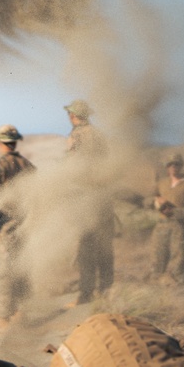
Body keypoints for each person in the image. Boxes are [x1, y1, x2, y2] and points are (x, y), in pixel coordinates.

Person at [0, 124, 36, 326]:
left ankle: (3, 317)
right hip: (22, 223)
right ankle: (22, 312)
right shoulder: (26, 165)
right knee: (20, 268)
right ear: (15, 141)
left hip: (2, 225)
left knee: (2, 271)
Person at [64, 99, 115, 304]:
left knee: (86, 247)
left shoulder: (78, 135)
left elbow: (76, 166)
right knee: (104, 246)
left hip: (86, 196)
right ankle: (106, 291)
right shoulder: (99, 134)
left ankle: (86, 294)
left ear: (74, 116)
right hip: (103, 196)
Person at [147, 152, 184, 285]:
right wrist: (156, 202)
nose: (173, 167)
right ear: (167, 167)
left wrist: (173, 212)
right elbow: (148, 200)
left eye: (176, 164)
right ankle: (156, 288)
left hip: (178, 226)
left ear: (181, 166)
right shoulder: (162, 183)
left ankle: (179, 289)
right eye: (170, 164)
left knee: (180, 258)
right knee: (157, 257)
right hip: (161, 225)